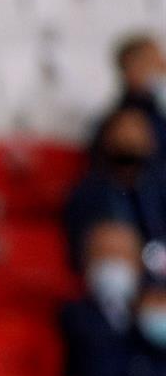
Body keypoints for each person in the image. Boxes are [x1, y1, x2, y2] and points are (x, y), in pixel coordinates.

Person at [63, 108, 166, 264]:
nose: (129, 136)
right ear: (106, 136)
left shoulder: (158, 189)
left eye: (137, 128)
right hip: (112, 269)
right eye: (123, 128)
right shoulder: (89, 192)